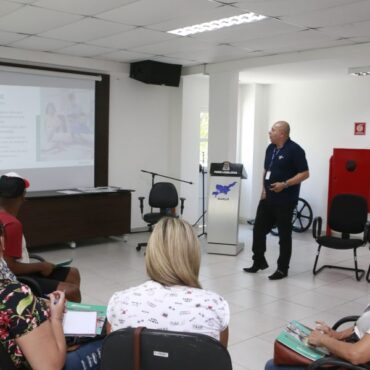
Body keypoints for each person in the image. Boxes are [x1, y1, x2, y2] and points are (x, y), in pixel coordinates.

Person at [106, 217, 230, 347]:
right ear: (193, 255)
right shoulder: (215, 306)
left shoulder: (119, 302)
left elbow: (113, 357)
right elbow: (219, 361)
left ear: (151, 253)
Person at [0, 222, 102, 370]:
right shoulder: (13, 296)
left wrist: (36, 303)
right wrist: (56, 318)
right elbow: (50, 367)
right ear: (2, 242)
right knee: (109, 339)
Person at [0, 172, 81, 302]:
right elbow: (11, 267)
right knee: (72, 291)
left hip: (14, 273)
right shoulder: (12, 224)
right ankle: (58, 317)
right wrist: (41, 266)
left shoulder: (7, 220)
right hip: (16, 279)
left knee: (72, 273)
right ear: (23, 196)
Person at [243, 121, 309, 280]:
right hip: (268, 198)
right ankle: (258, 261)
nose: (269, 132)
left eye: (273, 130)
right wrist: (263, 190)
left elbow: (305, 174)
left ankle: (282, 268)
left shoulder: (295, 150)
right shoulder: (270, 148)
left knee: (284, 235)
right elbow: (266, 170)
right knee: (258, 229)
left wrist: (285, 184)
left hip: (285, 200)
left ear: (282, 134)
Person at [265, 309, 370, 370]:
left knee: (272, 366)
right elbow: (362, 325)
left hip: (354, 363)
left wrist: (323, 340)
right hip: (349, 351)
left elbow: (356, 355)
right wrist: (337, 335)